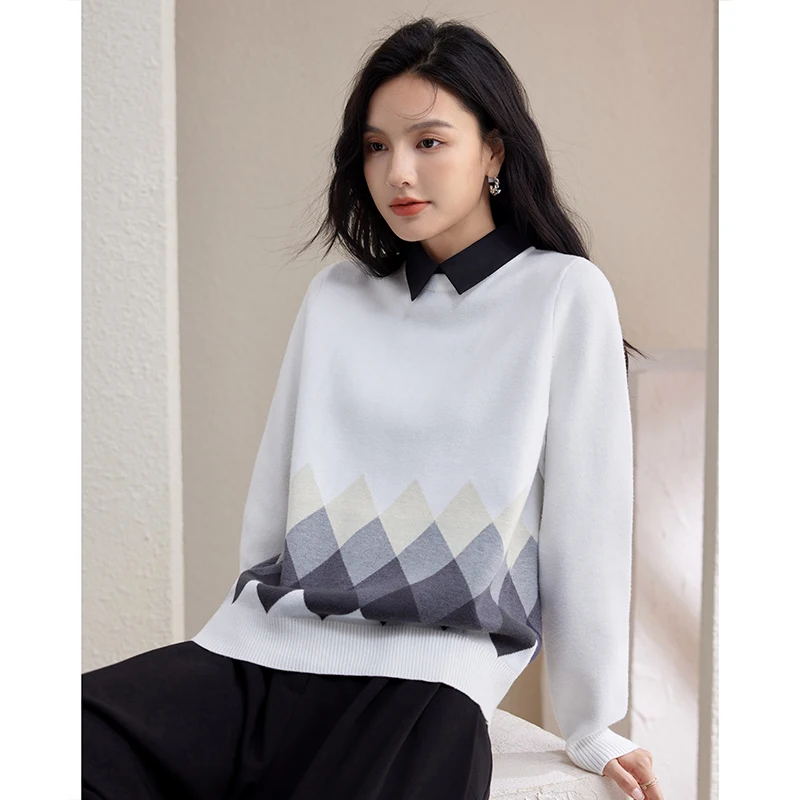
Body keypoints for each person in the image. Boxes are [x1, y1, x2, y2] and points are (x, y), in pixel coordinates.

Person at [83, 15, 664, 800]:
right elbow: (274, 497)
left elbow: (587, 522)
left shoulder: (562, 294)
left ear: (494, 151)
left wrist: (591, 721)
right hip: (268, 651)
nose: (398, 173)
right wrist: (242, 625)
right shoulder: (337, 297)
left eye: (429, 142)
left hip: (425, 682)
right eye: (377, 146)